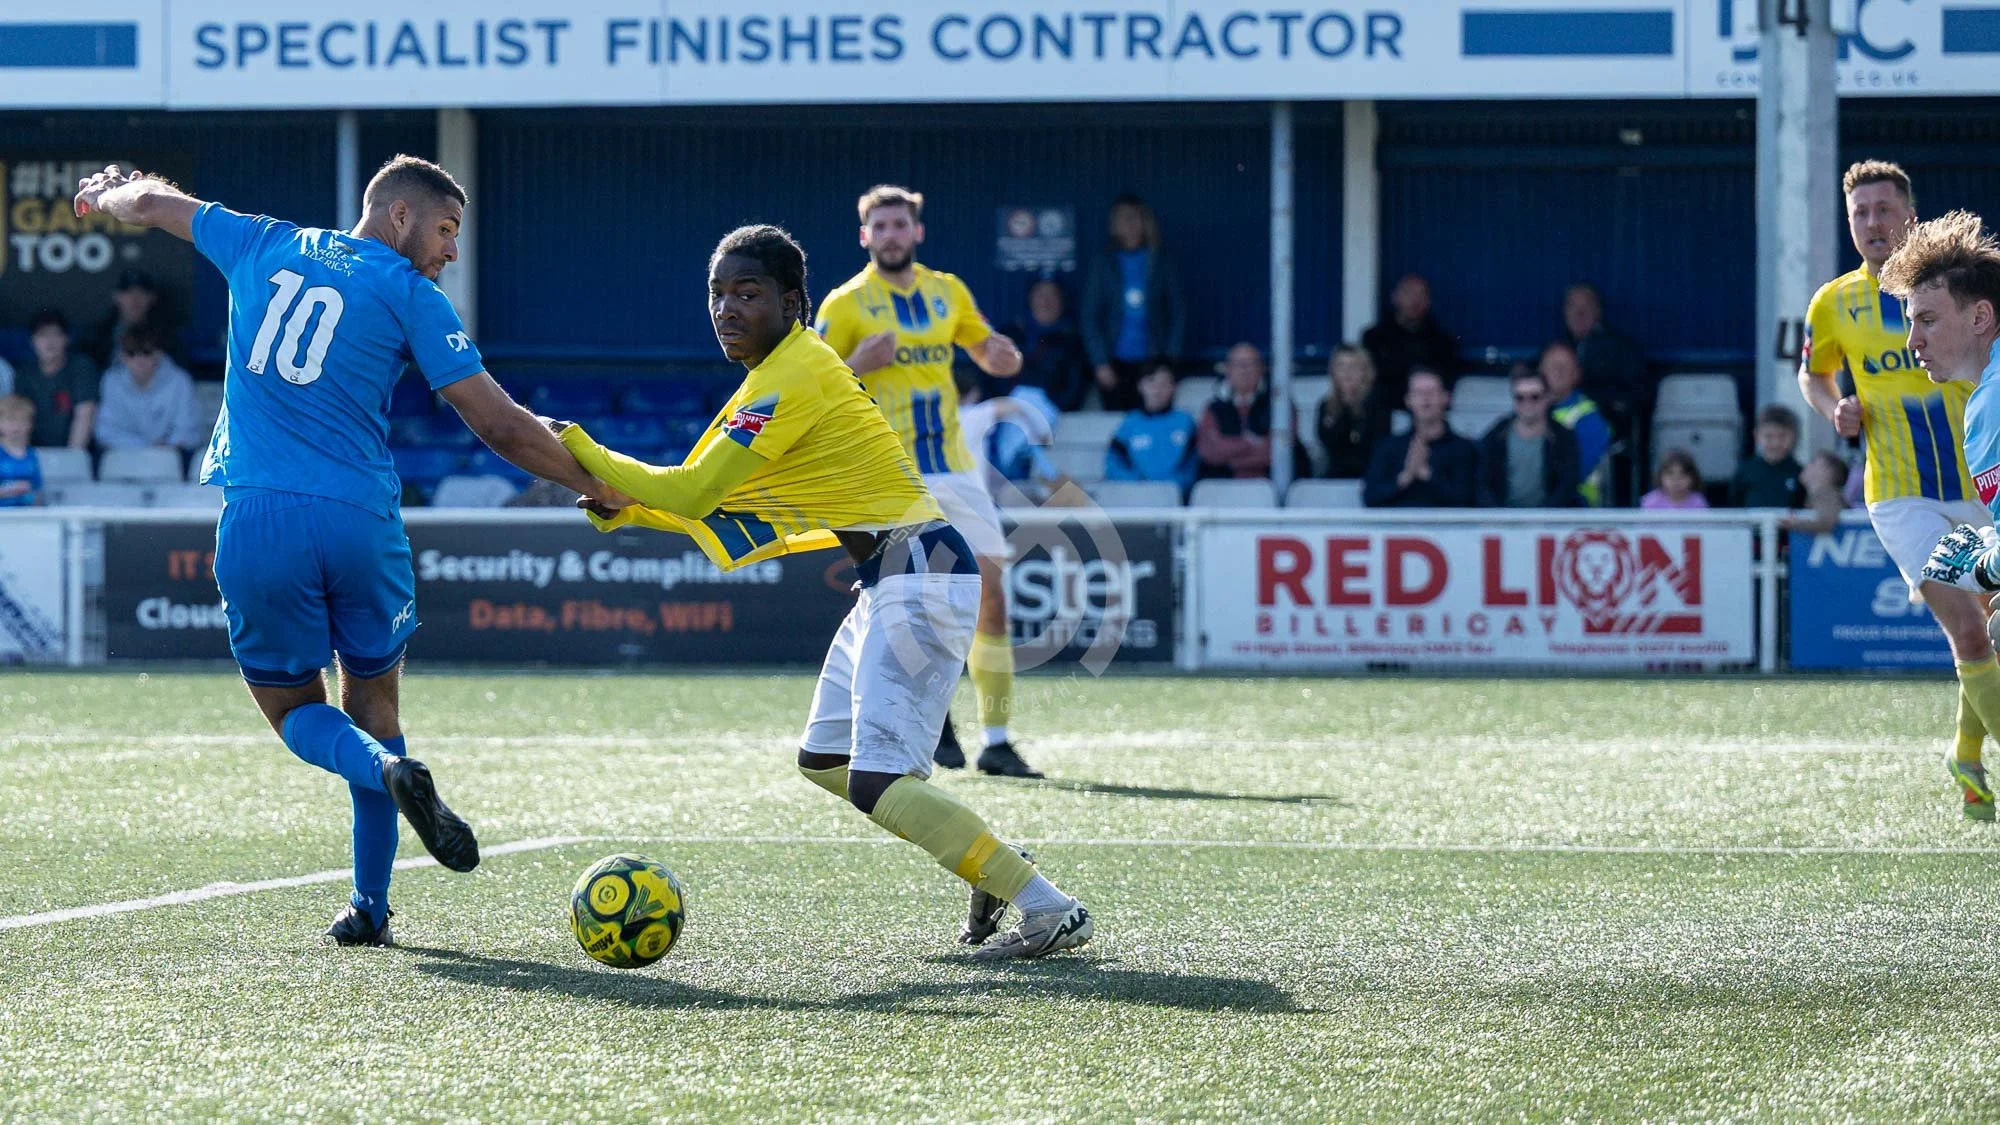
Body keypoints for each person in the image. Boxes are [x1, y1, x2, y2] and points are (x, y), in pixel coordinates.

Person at [73, 156, 617, 942]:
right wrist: (592, 483)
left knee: (298, 712)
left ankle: (385, 789)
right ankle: (369, 899)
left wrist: (106, 188)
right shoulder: (409, 293)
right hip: (361, 521)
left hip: (259, 515)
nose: (450, 250)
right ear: (398, 216)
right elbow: (497, 423)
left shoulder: (260, 241)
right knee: (377, 709)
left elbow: (153, 202)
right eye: (444, 229)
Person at [557, 225, 1094, 961]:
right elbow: (715, 502)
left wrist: (577, 446)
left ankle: (1044, 904)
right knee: (826, 760)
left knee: (876, 778)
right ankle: (997, 866)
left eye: (748, 293)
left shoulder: (794, 374)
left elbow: (695, 487)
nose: (727, 309)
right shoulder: (775, 378)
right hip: (893, 577)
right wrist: (631, 506)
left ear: (794, 302)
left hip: (922, 571)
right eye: (716, 294)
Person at [813, 185, 1039, 779]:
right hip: (888, 473)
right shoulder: (845, 304)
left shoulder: (948, 292)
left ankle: (997, 740)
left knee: (991, 592)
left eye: (899, 225)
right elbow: (809, 384)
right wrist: (858, 362)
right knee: (902, 608)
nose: (890, 235)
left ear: (918, 232)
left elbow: (989, 350)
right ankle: (928, 725)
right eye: (879, 227)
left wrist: (997, 357)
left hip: (955, 469)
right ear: (865, 238)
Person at [1801, 164, 1991, 819]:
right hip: (1900, 495)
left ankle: (1965, 751)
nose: (1873, 222)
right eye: (1860, 213)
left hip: (1978, 483)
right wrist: (1834, 410)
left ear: (1910, 215)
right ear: (1849, 224)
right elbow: (1814, 374)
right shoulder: (1834, 303)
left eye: (1884, 209)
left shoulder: (1956, 290)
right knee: (1968, 625)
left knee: (1990, 631)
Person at [1885, 210, 2000, 821]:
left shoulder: (1989, 408)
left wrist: (1985, 565)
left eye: (1928, 320)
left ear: (1979, 316)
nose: (1913, 341)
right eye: (1911, 323)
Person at [1081, 194, 1183, 411]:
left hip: (1153, 361)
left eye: (1135, 217)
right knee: (1119, 424)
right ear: (1114, 225)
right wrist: (1100, 362)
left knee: (1154, 424)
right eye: (1123, 218)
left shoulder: (1161, 260)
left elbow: (1178, 312)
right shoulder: (1103, 263)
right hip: (1114, 363)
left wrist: (1170, 362)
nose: (1130, 224)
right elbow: (1089, 316)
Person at [1364, 366, 1479, 507]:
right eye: (1418, 393)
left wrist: (1427, 474)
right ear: (1408, 400)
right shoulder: (1389, 448)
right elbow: (1370, 498)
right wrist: (1405, 477)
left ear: (1445, 398)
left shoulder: (1463, 449)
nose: (1425, 399)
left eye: (1431, 392)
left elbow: (1467, 499)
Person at [1477, 365, 1582, 507]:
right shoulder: (1495, 437)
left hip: (1550, 523)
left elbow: (1567, 486)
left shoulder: (1564, 439)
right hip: (1502, 524)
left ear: (1547, 398)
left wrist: (1544, 517)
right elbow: (1482, 484)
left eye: (1535, 397)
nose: (1527, 403)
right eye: (1520, 397)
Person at [93, 324, 207, 453]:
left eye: (146, 352)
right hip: (124, 458)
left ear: (159, 353)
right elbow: (105, 431)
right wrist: (146, 448)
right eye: (131, 353)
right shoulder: (111, 381)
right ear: (122, 357)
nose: (139, 359)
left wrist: (167, 447)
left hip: (169, 460)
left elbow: (190, 430)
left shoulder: (180, 381)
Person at [1561, 281, 1649, 429]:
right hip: (1560, 429)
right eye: (1573, 307)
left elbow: (1640, 392)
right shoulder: (1556, 350)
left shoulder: (1621, 348)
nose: (1579, 313)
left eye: (1586, 307)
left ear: (1598, 311)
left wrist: (1610, 404)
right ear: (1565, 312)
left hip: (1604, 424)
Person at [1361, 274, 1458, 405]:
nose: (1415, 300)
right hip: (1383, 412)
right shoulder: (1373, 338)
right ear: (1394, 297)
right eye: (1408, 293)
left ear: (1428, 301)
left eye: (1421, 295)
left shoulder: (1443, 343)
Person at [998, 278, 1090, 412]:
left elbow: (1075, 388)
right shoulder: (1009, 333)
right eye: (1040, 295)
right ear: (1031, 298)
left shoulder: (1073, 341)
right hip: (1005, 411)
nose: (1045, 302)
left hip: (1051, 414)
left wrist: (1052, 408)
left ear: (1061, 300)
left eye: (1052, 295)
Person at [1106, 362, 1199, 495]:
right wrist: (1135, 484)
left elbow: (1193, 462)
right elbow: (1114, 461)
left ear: (1174, 387)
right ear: (1140, 386)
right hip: (1134, 495)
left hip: (1175, 497)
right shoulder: (1129, 423)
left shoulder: (1185, 422)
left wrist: (1174, 485)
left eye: (1164, 384)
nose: (1157, 389)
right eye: (1151, 382)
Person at [1196, 342, 1285, 480]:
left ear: (1261, 368)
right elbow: (1210, 450)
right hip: (1223, 486)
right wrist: (1250, 442)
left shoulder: (1279, 405)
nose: (1244, 370)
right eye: (1238, 364)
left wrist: (1232, 459)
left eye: (1251, 363)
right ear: (1227, 369)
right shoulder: (1213, 408)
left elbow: (1277, 450)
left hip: (1269, 484)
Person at [1539, 340, 1612, 505]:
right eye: (1552, 366)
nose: (1558, 372)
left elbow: (1577, 471)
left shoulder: (1590, 416)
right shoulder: (1528, 407)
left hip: (1576, 509)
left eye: (1564, 367)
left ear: (1577, 374)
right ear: (1540, 372)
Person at [21, 309, 99, 450]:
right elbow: (19, 417)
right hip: (34, 453)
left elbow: (85, 413)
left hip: (74, 452)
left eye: (56, 334)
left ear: (67, 339)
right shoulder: (24, 374)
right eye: (43, 335)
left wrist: (71, 458)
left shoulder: (81, 367)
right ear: (32, 341)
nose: (50, 342)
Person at [1316, 345, 1391, 480]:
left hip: (1370, 476)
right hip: (1335, 477)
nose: (1347, 372)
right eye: (1341, 366)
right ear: (1333, 372)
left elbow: (1377, 446)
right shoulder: (1326, 407)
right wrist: (1343, 408)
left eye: (1353, 366)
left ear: (1365, 371)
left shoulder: (1379, 404)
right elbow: (1329, 444)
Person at [82, 268, 180, 369]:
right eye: (128, 292)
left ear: (152, 298)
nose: (134, 299)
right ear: (116, 297)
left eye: (141, 292)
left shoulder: (166, 336)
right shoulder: (98, 335)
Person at [1730, 404, 1806, 508]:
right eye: (1768, 436)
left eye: (1782, 436)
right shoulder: (1746, 470)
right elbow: (1734, 505)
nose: (1775, 443)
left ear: (1794, 437)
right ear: (1756, 436)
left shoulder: (1800, 473)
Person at [1781, 451, 1853, 534]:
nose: (1806, 466)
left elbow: (1826, 522)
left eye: (1813, 463)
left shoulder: (1826, 494)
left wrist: (1796, 524)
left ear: (1827, 472)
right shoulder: (1817, 495)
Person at [0, 395, 41, 507]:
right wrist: (10, 490)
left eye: (21, 421)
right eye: (10, 420)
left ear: (30, 425)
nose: (16, 426)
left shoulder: (32, 454)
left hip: (27, 515)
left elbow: (38, 489)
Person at [1641, 449, 1709, 510]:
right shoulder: (1651, 502)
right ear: (1660, 476)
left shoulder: (1698, 502)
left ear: (1692, 477)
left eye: (1683, 475)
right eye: (1670, 474)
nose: (1676, 480)